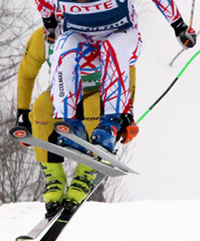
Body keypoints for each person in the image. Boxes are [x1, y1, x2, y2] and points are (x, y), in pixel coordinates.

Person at [29, 0, 192, 210]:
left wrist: (179, 26)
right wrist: (49, 23)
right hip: (81, 39)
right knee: (62, 49)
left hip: (121, 35)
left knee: (112, 48)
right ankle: (68, 123)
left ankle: (109, 125)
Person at [15, 22, 138, 215]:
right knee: (40, 108)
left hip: (99, 94)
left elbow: (127, 71)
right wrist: (22, 112)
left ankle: (85, 174)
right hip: (65, 95)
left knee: (92, 109)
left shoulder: (102, 33)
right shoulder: (42, 38)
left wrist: (126, 113)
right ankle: (54, 177)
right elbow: (26, 74)